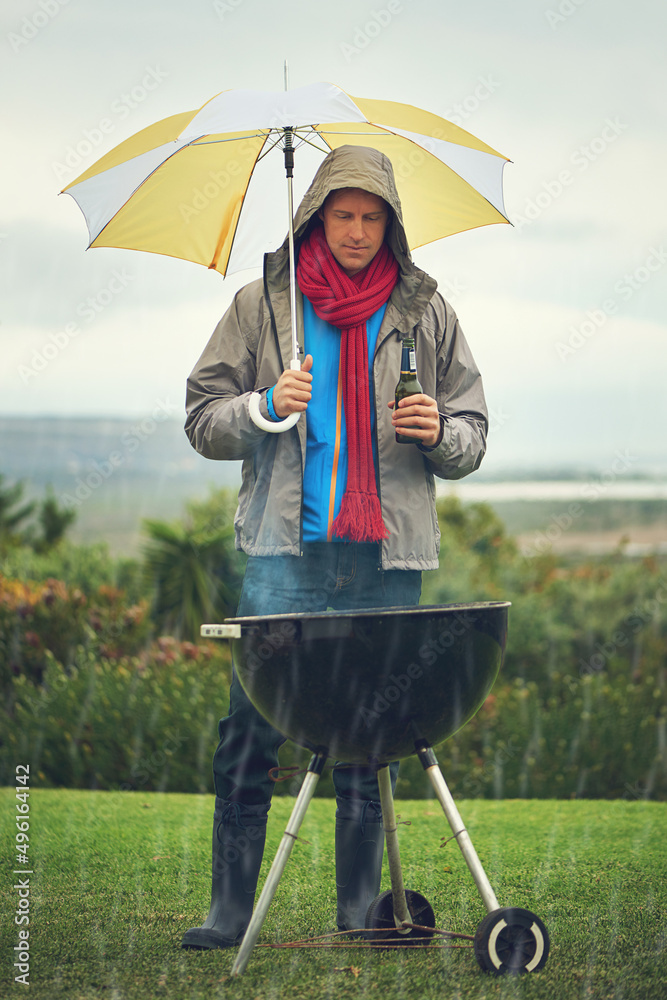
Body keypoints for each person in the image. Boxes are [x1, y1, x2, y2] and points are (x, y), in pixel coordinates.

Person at [181, 144, 488, 949]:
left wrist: (439, 434)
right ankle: (227, 914)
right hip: (283, 557)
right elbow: (201, 419)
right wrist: (260, 406)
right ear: (316, 215)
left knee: (368, 736)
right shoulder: (262, 308)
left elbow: (473, 433)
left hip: (384, 561)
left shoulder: (426, 312)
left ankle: (358, 915)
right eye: (341, 215)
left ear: (390, 224)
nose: (355, 231)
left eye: (370, 216)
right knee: (248, 730)